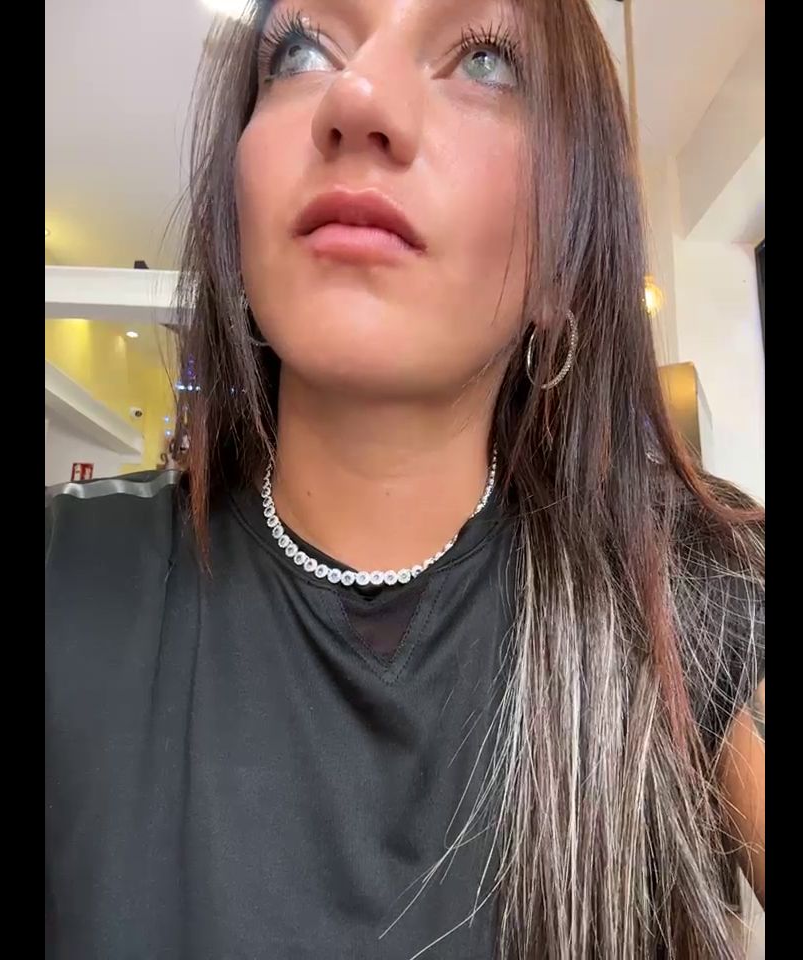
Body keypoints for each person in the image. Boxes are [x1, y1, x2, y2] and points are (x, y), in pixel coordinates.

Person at [45, 1, 765, 957]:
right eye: (303, 49)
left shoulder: (681, 592)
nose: (356, 97)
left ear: (565, 256)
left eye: (486, 62)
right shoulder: (68, 578)